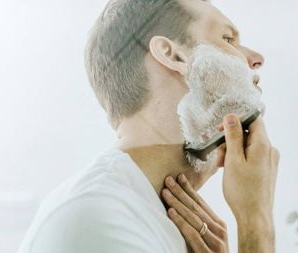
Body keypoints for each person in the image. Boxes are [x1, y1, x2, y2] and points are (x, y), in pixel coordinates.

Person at [18, 0, 280, 252]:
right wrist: (256, 223)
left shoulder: (146, 217)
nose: (256, 58)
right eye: (227, 39)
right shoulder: (95, 218)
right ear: (173, 55)